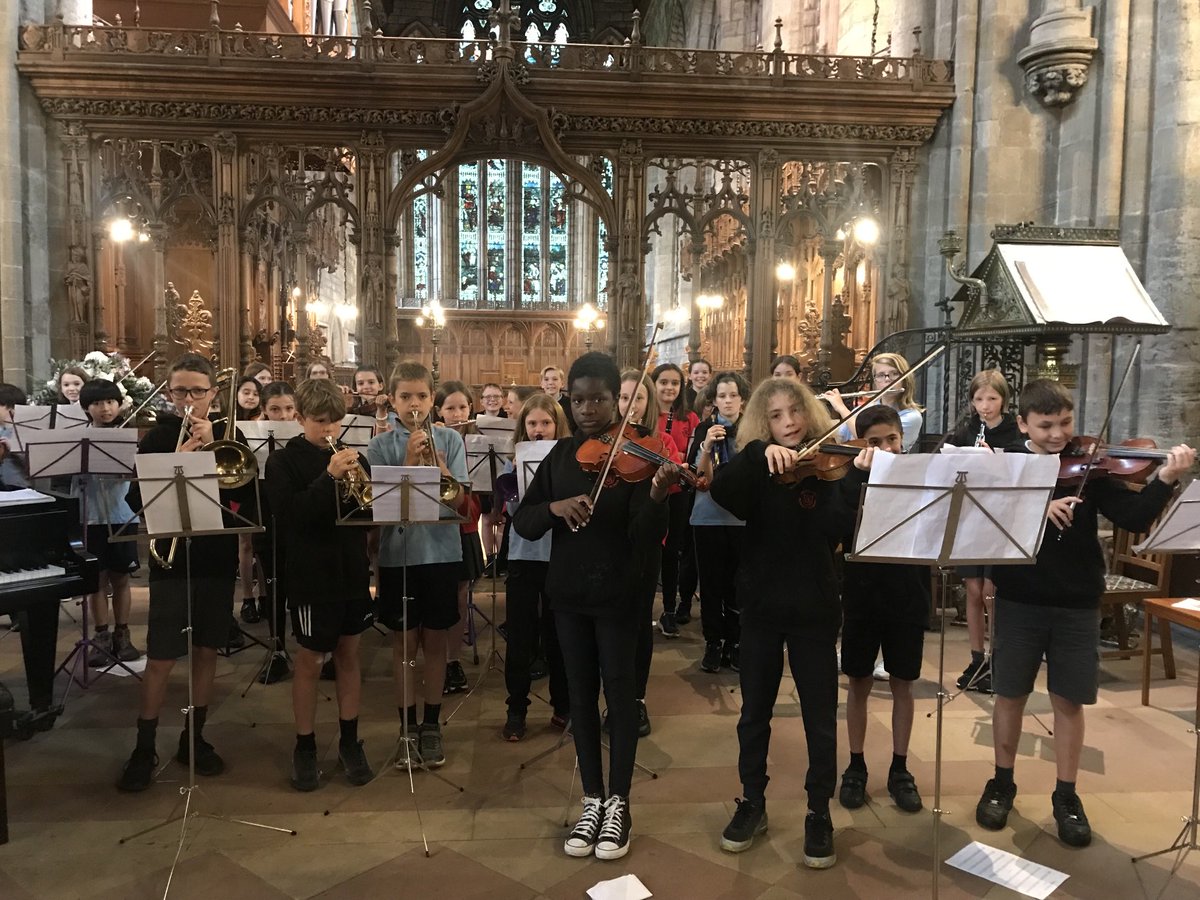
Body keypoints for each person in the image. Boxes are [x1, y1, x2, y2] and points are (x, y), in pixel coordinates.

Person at [975, 379, 1194, 848]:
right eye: (1046, 425)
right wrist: (1037, 504)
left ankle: (1066, 795)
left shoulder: (1091, 467)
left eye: (1065, 423)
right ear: (1023, 424)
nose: (1059, 435)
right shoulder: (1007, 465)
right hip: (1020, 598)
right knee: (1010, 695)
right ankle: (1002, 782)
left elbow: (1134, 518)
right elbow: (983, 520)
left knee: (1068, 701)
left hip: (1076, 600)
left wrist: (1166, 479)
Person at [513, 352, 677, 861]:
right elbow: (523, 521)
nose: (587, 409)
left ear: (615, 400)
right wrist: (554, 508)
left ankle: (619, 803)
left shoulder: (638, 456)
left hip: (620, 594)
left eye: (599, 399)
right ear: (570, 399)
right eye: (578, 399)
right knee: (581, 697)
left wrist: (656, 495)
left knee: (620, 696)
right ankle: (591, 797)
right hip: (568, 594)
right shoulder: (561, 456)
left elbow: (645, 539)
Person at [708, 376, 853, 869]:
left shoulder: (831, 467)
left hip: (815, 606)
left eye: (795, 411)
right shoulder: (755, 470)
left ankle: (819, 810)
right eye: (775, 416)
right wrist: (754, 455)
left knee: (819, 716)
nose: (789, 422)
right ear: (761, 423)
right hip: (763, 608)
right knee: (754, 713)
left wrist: (855, 474)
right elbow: (721, 491)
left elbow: (841, 528)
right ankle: (752, 801)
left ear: (809, 413)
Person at [117, 353, 256, 792]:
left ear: (214, 393)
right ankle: (144, 746)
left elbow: (247, 504)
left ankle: (193, 738)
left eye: (199, 390)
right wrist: (177, 460)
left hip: (214, 559)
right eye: (181, 390)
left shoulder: (230, 439)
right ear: (169, 393)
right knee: (160, 657)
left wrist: (212, 447)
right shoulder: (156, 437)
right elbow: (137, 505)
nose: (190, 399)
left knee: (206, 651)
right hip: (170, 562)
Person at [265, 378, 375, 791]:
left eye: (335, 422)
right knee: (310, 659)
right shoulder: (282, 462)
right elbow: (290, 515)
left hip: (350, 570)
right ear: (299, 418)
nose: (329, 430)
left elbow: (365, 512)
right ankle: (305, 745)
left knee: (349, 653)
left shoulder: (353, 458)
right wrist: (328, 478)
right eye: (320, 422)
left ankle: (350, 739)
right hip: (312, 574)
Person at [367, 362, 469, 769]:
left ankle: (431, 723)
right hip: (399, 556)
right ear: (392, 400)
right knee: (403, 644)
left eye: (422, 397)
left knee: (435, 644)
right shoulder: (380, 446)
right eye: (406, 397)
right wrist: (409, 459)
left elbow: (459, 502)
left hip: (441, 554)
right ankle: (406, 725)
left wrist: (441, 471)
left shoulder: (450, 440)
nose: (414, 404)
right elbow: (380, 509)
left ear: (433, 399)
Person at [836, 405, 929, 815]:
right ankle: (855, 765)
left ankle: (899, 767)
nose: (886, 447)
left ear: (901, 438)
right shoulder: (849, 478)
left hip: (908, 591)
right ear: (861, 445)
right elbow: (838, 527)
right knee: (857, 680)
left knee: (903, 682)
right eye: (875, 442)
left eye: (891, 438)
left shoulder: (921, 478)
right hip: (861, 591)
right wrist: (858, 474)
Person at [944, 369, 1021, 693]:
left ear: (1004, 399)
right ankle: (977, 659)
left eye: (992, 398)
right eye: (979, 399)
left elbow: (1019, 471)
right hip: (971, 517)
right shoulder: (968, 429)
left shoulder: (1013, 431)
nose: (985, 406)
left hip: (1000, 517)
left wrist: (993, 462)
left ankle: (997, 658)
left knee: (992, 592)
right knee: (973, 591)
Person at [501, 393, 571, 740]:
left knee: (560, 634)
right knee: (520, 634)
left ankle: (563, 704)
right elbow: (513, 516)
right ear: (523, 427)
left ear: (558, 426)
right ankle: (516, 707)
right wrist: (516, 482)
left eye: (546, 423)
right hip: (524, 554)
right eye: (532, 424)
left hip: (558, 555)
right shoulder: (513, 460)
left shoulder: (569, 459)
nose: (539, 430)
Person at [76, 379, 142, 667]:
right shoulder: (78, 439)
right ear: (86, 408)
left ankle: (123, 634)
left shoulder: (128, 437)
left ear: (119, 404)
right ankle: (101, 635)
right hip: (90, 516)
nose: (105, 408)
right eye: (97, 403)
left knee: (122, 577)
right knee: (97, 579)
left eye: (111, 402)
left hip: (121, 514)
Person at [689, 371, 751, 673]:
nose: (727, 401)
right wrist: (707, 447)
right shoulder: (704, 428)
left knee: (738, 583)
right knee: (712, 583)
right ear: (713, 400)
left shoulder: (752, 429)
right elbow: (698, 478)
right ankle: (713, 642)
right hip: (708, 516)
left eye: (733, 395)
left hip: (741, 518)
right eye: (722, 396)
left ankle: (736, 642)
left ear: (742, 398)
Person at [618, 369, 667, 737]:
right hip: (606, 544)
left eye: (638, 399)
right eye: (623, 398)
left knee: (638, 623)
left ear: (648, 404)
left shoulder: (657, 444)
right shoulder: (596, 443)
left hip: (643, 548)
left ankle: (635, 699)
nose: (630, 406)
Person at [435, 380, 484, 696]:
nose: (457, 413)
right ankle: (434, 659)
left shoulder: (483, 443)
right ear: (437, 410)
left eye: (462, 407)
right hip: (436, 527)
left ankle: (453, 660)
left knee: (459, 593)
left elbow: (476, 504)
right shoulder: (434, 439)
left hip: (464, 524)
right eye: (450, 407)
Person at [651, 363, 699, 638]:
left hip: (678, 491)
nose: (669, 388)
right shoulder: (647, 416)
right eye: (664, 382)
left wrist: (679, 460)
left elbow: (691, 455)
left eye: (675, 383)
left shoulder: (689, 417)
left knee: (672, 552)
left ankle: (669, 609)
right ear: (654, 384)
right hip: (649, 489)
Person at [823, 352, 924, 451]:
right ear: (875, 381)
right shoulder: (863, 409)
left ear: (905, 380)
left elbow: (866, 441)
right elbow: (840, 438)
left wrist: (841, 408)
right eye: (880, 375)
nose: (887, 379)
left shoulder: (912, 417)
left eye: (894, 374)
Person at [0, 382, 29, 489]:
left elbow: (35, 461)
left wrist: (13, 447)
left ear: (10, 408)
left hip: (18, 486)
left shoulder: (24, 430)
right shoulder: (1, 429)